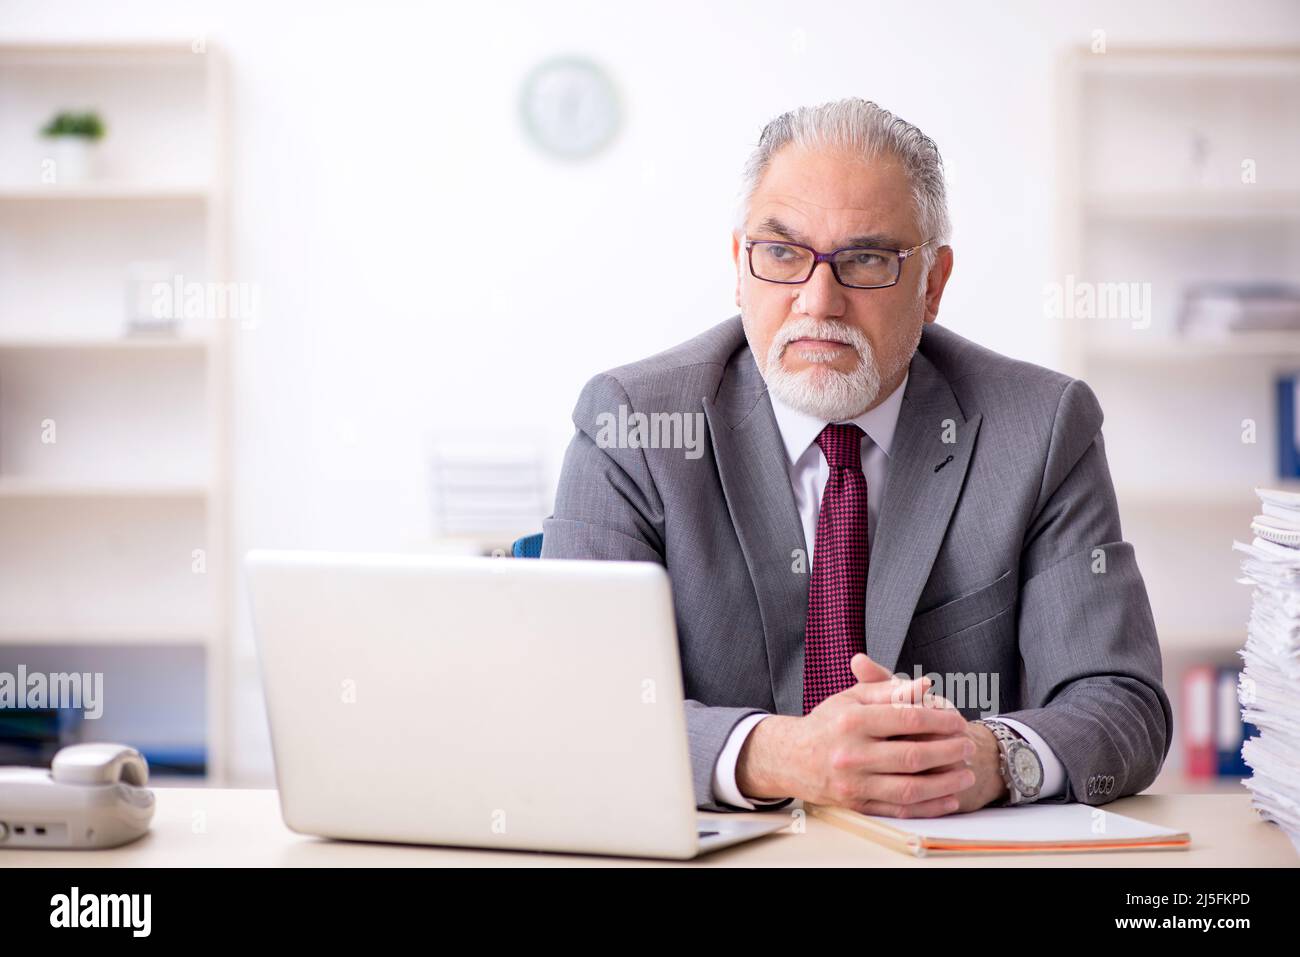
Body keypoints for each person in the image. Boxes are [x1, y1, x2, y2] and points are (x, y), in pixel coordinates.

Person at [542, 97, 1170, 816]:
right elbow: (574, 701)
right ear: (740, 267)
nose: (818, 302)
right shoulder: (635, 424)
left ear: (933, 284)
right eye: (783, 254)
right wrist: (778, 756)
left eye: (866, 260)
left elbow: (1122, 704)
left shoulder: (1040, 427)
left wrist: (991, 758)